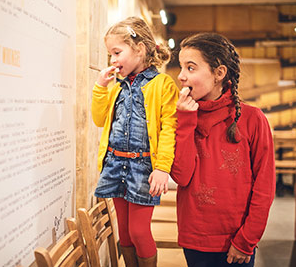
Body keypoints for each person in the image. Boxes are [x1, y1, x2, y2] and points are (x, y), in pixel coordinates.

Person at [170, 33, 275, 267]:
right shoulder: (183, 118)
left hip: (236, 241)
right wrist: (185, 121)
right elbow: (181, 175)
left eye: (191, 67)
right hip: (194, 239)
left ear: (219, 73)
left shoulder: (252, 119)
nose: (181, 76)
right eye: (181, 67)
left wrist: (246, 240)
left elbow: (265, 187)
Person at [91, 16, 179, 266]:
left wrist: (163, 168)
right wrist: (100, 87)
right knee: (126, 234)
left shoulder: (162, 84)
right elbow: (99, 119)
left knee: (140, 232)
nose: (112, 60)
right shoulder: (116, 86)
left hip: (142, 168)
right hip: (115, 164)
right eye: (110, 54)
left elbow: (169, 129)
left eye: (117, 52)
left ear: (139, 49)